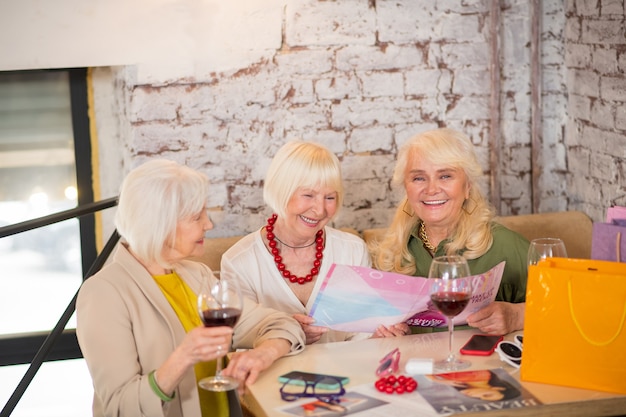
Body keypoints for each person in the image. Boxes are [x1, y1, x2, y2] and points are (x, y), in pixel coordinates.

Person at [76, 159, 305, 417]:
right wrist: (183, 357)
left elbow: (281, 324)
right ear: (159, 225)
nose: (209, 224)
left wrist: (262, 355)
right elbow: (119, 409)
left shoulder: (198, 275)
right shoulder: (103, 294)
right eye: (197, 216)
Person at [221, 140, 408, 344]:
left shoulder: (352, 250)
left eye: (329, 197)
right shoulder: (239, 261)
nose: (320, 210)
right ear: (281, 192)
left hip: (345, 373)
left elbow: (358, 334)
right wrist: (287, 331)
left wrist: (378, 335)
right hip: (271, 374)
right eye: (308, 195)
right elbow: (237, 339)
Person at [371, 128, 529, 335]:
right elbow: (366, 336)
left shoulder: (504, 245)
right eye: (419, 178)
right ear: (406, 188)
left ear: (467, 186)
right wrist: (384, 335)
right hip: (414, 367)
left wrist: (517, 315)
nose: (431, 189)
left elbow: (571, 306)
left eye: (445, 176)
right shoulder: (391, 254)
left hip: (478, 366)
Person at [426, 370, 521, 401]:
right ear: (497, 388)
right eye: (487, 395)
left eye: (480, 398)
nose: (476, 396)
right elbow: (427, 368)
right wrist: (436, 380)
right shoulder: (478, 375)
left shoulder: (460, 383)